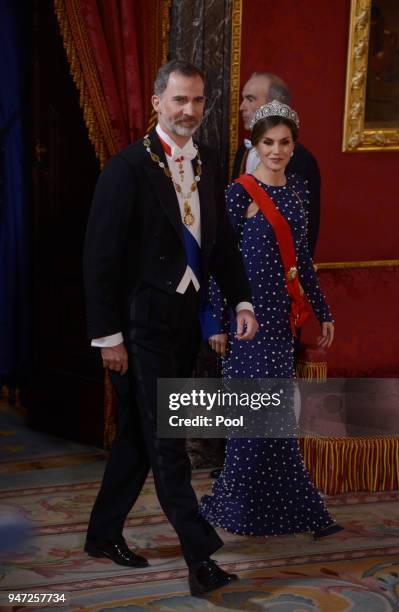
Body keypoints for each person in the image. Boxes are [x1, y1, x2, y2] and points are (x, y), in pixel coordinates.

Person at [83, 60, 258, 596]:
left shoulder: (203, 162)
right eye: (180, 100)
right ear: (157, 101)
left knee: (139, 433)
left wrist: (243, 300)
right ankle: (200, 559)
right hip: (140, 328)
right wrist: (108, 337)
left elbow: (221, 245)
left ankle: (101, 532)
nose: (189, 111)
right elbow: (100, 260)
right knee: (167, 442)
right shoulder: (126, 168)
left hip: (182, 325)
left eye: (198, 101)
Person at [200, 100, 342, 539]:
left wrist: (323, 311)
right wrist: (216, 323)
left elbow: (302, 261)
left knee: (277, 421)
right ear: (255, 145)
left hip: (282, 323)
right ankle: (232, 511)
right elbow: (217, 264)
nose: (276, 151)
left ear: (294, 145)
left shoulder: (296, 194)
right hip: (248, 322)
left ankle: (299, 513)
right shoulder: (238, 193)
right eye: (268, 142)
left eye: (284, 143)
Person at [232, 72, 321, 256]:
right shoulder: (243, 152)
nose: (242, 107)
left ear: (274, 105)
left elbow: (307, 227)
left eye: (250, 99)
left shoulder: (300, 160)